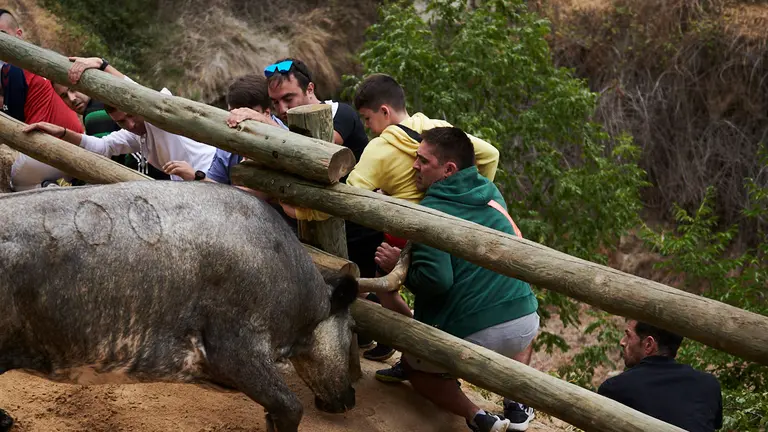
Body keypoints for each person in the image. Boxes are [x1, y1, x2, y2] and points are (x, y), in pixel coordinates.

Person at [376, 127, 538, 432]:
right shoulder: (491, 192)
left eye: (423, 161)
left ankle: (478, 417)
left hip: (473, 336)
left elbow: (437, 281)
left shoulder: (432, 210)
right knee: (520, 317)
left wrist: (400, 265)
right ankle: (516, 403)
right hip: (524, 323)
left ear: (448, 169)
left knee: (416, 370)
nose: (414, 166)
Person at [22, 57, 216, 181]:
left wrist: (102, 64)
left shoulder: (159, 113)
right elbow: (102, 147)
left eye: (131, 115)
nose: (130, 125)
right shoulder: (134, 135)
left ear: (139, 106)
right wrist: (63, 133)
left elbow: (136, 91)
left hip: (212, 174)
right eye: (121, 122)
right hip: (188, 187)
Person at [0, 9, 85, 191]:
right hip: (77, 143)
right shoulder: (40, 58)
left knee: (17, 179)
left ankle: (48, 188)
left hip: (51, 147)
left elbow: (10, 122)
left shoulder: (13, 67)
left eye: (2, 35)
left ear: (18, 34)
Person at [597, 320, 723, 432]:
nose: (622, 342)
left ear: (648, 345)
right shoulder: (709, 384)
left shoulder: (615, 389)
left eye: (628, 335)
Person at [51, 82, 169, 180]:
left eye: (73, 89)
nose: (72, 98)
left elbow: (101, 164)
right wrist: (64, 133)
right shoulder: (107, 101)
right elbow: (106, 146)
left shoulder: (94, 113)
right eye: (64, 96)